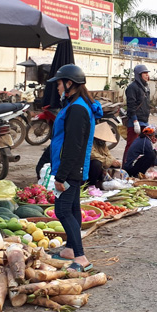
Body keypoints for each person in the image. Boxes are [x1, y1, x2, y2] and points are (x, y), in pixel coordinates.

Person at [47, 64, 102, 272]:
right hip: (74, 167)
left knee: (62, 210)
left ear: (69, 83)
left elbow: (73, 145)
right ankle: (70, 249)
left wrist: (61, 175)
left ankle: (81, 258)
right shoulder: (77, 104)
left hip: (71, 168)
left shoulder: (78, 108)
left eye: (59, 84)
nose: (58, 88)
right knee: (72, 208)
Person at [124, 64, 151, 161]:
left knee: (144, 145)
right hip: (135, 121)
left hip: (144, 121)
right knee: (131, 145)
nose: (147, 75)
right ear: (139, 75)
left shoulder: (146, 88)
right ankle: (126, 165)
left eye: (147, 73)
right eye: (144, 73)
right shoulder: (132, 87)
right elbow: (131, 106)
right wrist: (135, 121)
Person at [87, 122, 122, 189]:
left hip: (102, 165)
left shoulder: (102, 144)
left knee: (116, 166)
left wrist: (114, 161)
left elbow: (108, 154)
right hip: (89, 166)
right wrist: (110, 161)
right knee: (97, 163)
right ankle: (91, 185)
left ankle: (104, 182)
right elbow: (93, 155)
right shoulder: (90, 141)